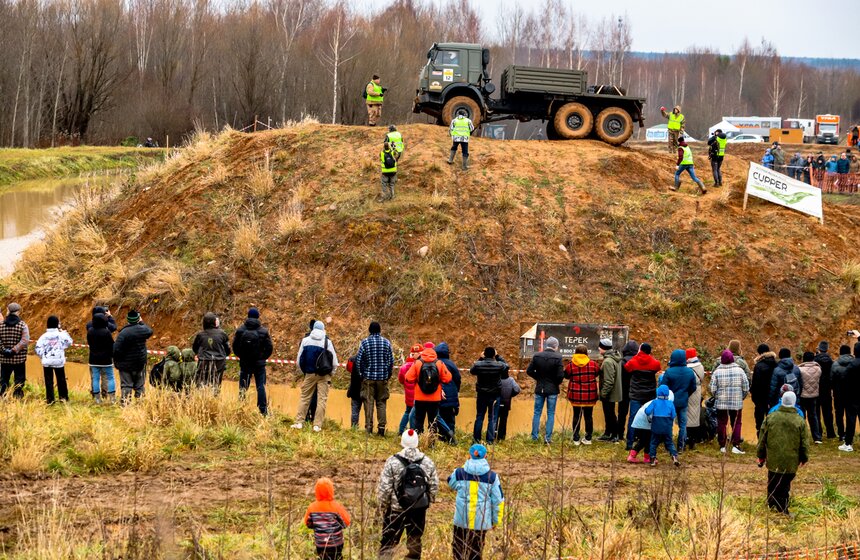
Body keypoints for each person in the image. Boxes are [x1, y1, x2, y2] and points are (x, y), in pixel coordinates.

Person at [378, 429, 439, 560]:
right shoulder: (427, 462)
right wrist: (428, 501)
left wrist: (384, 505)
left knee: (388, 544)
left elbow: (385, 488)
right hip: (418, 509)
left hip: (396, 509)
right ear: (417, 443)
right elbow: (434, 486)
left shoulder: (392, 461)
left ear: (402, 442)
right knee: (414, 544)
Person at [756, 391, 810, 514]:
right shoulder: (799, 420)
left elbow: (762, 438)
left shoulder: (770, 417)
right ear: (794, 402)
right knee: (785, 484)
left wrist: (760, 455)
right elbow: (804, 443)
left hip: (773, 458)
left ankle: (771, 503)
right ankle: (783, 509)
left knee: (772, 479)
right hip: (791, 460)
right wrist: (804, 457)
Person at [448, 444, 505, 560]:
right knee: (476, 553)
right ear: (486, 456)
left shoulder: (459, 473)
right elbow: (498, 501)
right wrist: (496, 521)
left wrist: (465, 466)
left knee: (458, 552)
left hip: (461, 521)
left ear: (469, 456)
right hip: (481, 522)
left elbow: (450, 482)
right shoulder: (492, 477)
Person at [293, 321, 339, 432]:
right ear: (323, 329)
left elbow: (299, 361)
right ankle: (317, 425)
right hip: (324, 375)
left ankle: (299, 422)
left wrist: (304, 372)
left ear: (313, 328)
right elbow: (334, 363)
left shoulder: (305, 340)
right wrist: (331, 373)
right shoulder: (327, 342)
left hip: (309, 374)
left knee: (305, 398)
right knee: (321, 400)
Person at [232, 307, 273, 415]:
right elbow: (269, 348)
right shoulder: (263, 331)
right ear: (258, 316)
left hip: (245, 363)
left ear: (248, 316)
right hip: (259, 365)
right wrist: (262, 357)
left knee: (243, 387)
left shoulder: (241, 330)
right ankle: (263, 411)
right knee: (261, 387)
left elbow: (235, 347)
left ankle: (240, 409)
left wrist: (242, 356)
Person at [356, 321, 395, 436]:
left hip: (368, 378)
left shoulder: (364, 343)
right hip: (382, 378)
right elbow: (390, 361)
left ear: (369, 330)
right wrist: (387, 375)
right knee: (381, 402)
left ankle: (369, 428)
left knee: (368, 402)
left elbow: (358, 361)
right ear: (380, 330)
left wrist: (361, 374)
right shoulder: (386, 343)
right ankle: (381, 428)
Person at [405, 345, 453, 435]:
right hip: (434, 398)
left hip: (420, 398)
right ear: (435, 354)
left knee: (419, 420)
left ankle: (418, 440)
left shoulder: (418, 363)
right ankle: (432, 443)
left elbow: (408, 378)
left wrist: (417, 379)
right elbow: (448, 378)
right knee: (433, 421)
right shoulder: (439, 363)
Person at [710, 350, 750, 454]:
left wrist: (717, 397)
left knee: (722, 422)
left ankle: (722, 445)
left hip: (721, 403)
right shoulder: (740, 371)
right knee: (736, 423)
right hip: (736, 402)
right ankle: (736, 445)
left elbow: (712, 389)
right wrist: (741, 397)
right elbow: (746, 387)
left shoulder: (717, 372)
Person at [526, 336, 564, 444]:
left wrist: (538, 378)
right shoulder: (558, 357)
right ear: (555, 346)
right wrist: (556, 383)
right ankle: (547, 438)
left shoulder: (537, 356)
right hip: (552, 389)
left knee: (537, 412)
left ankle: (534, 437)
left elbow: (529, 371)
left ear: (546, 345)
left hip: (540, 388)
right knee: (551, 413)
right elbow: (560, 375)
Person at [624, 342, 661, 450]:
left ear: (640, 350)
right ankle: (647, 442)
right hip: (649, 394)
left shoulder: (634, 361)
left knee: (633, 418)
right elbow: (658, 367)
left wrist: (637, 355)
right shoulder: (655, 363)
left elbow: (627, 367)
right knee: (649, 418)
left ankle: (630, 443)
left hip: (636, 394)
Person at [469, 346, 509, 444]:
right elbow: (507, 366)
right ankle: (490, 440)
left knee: (479, 416)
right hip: (495, 395)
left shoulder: (478, 364)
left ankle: (476, 439)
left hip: (481, 394)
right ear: (493, 355)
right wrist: (498, 356)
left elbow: (472, 371)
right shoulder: (499, 365)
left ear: (484, 354)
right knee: (493, 418)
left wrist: (480, 358)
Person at [659, 349, 697, 451]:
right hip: (683, 402)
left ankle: (669, 446)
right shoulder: (689, 372)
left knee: (669, 424)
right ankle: (681, 446)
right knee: (683, 425)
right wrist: (686, 394)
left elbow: (663, 387)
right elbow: (693, 387)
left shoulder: (669, 372)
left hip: (670, 402)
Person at [304, 477, 351, 560]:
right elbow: (346, 523)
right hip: (336, 543)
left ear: (316, 491)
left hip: (320, 544)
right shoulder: (337, 507)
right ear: (331, 490)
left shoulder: (312, 507)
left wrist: (318, 526)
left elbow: (308, 524)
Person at [113, 310, 153, 404]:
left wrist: (118, 361)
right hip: (140, 363)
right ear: (138, 319)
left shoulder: (124, 333)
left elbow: (116, 349)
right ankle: (141, 403)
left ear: (128, 320)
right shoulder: (142, 330)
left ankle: (125, 404)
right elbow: (150, 331)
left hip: (125, 365)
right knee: (139, 386)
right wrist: (141, 322)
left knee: (127, 385)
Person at [564, 344, 600, 445]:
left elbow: (566, 375)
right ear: (586, 353)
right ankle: (588, 438)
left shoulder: (571, 365)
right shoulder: (593, 364)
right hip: (589, 395)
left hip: (576, 395)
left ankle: (576, 439)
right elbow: (597, 373)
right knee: (588, 416)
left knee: (576, 416)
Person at [627, 388, 674, 464]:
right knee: (648, 440)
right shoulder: (660, 404)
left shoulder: (655, 402)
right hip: (645, 423)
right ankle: (646, 457)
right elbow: (652, 415)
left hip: (640, 422)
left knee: (644, 441)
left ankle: (633, 455)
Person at [34, 315, 73, 405]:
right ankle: (64, 399)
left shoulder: (43, 336)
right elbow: (69, 342)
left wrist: (43, 356)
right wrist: (64, 334)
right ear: (57, 324)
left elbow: (37, 348)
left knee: (48, 381)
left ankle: (50, 400)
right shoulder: (61, 335)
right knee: (61, 380)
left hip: (47, 362)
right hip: (59, 361)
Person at [192, 312, 230, 393]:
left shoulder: (200, 335)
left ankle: (202, 400)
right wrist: (223, 355)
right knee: (216, 383)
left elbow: (195, 348)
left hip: (204, 361)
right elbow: (228, 349)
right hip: (219, 362)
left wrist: (198, 355)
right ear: (214, 322)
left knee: (201, 383)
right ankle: (214, 400)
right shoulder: (222, 334)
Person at [0, 303, 30, 399]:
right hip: (19, 359)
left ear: (8, 310)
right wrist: (14, 350)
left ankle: (3, 396)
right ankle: (17, 397)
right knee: (19, 379)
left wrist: (4, 350)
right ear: (18, 312)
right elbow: (25, 340)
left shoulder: (1, 325)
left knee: (4, 379)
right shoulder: (22, 325)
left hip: (4, 359)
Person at [645, 385, 680, 467]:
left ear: (658, 392)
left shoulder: (654, 402)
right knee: (669, 443)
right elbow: (673, 415)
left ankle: (653, 459)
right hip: (667, 427)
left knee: (653, 443)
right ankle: (674, 457)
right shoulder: (670, 403)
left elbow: (647, 411)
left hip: (656, 426)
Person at [87, 312, 116, 403]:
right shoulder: (106, 331)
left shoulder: (90, 331)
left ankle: (97, 398)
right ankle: (112, 398)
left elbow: (89, 343)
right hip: (106, 359)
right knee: (110, 377)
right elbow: (111, 344)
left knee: (95, 378)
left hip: (93, 359)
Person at [597, 339, 623, 442]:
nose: (598, 348)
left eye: (600, 346)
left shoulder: (608, 361)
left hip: (609, 393)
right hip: (614, 391)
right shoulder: (615, 358)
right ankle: (608, 433)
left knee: (610, 414)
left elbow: (609, 381)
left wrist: (603, 393)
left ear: (603, 348)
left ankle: (614, 435)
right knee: (609, 413)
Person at [436, 342, 461, 443]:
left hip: (438, 394)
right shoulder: (451, 364)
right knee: (450, 417)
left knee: (439, 417)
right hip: (451, 395)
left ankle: (442, 437)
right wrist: (456, 390)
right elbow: (458, 378)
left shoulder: (435, 363)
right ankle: (451, 438)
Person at [838, 342, 860, 453]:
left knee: (851, 420)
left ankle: (848, 443)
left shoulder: (852, 365)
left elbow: (843, 379)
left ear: (854, 352)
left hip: (852, 396)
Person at [751, 344, 778, 433]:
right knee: (773, 421)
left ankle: (760, 441)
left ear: (759, 353)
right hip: (774, 396)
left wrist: (754, 397)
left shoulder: (758, 366)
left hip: (760, 398)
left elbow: (755, 383)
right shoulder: (776, 364)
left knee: (760, 422)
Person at [798, 351, 823, 443]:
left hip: (802, 396)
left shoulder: (800, 370)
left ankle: (802, 437)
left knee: (802, 416)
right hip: (814, 395)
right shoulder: (818, 369)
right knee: (813, 416)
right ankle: (817, 437)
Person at [617, 339, 639, 443]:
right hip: (636, 391)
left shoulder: (621, 362)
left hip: (623, 390)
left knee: (622, 413)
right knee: (635, 414)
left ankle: (620, 434)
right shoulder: (638, 362)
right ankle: (633, 435)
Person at [684, 348, 705, 449]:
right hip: (698, 391)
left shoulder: (687, 368)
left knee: (687, 415)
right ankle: (694, 439)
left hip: (689, 391)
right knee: (695, 414)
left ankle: (687, 438)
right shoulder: (700, 366)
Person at [398, 344, 422, 435]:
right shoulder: (420, 365)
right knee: (415, 414)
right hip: (418, 395)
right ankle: (414, 432)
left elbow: (400, 380)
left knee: (407, 412)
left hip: (408, 395)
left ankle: (401, 430)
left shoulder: (404, 367)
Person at [832, 344, 854, 442]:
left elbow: (831, 380)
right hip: (851, 394)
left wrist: (834, 390)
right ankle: (850, 436)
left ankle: (841, 434)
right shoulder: (854, 363)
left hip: (838, 394)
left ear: (840, 352)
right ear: (850, 352)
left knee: (839, 414)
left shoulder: (835, 364)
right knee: (850, 415)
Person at [497, 371, 521, 442]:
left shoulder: (497, 379)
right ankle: (501, 438)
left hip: (496, 402)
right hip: (506, 403)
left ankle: (492, 437)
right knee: (503, 421)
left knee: (494, 420)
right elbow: (517, 390)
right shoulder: (511, 380)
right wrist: (510, 395)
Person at [346, 353, 363, 429]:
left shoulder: (352, 359)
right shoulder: (370, 358)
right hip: (367, 387)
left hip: (355, 387)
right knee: (369, 409)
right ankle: (369, 428)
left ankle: (354, 427)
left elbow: (348, 369)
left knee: (355, 410)